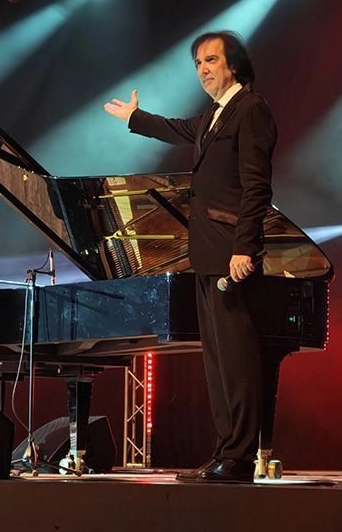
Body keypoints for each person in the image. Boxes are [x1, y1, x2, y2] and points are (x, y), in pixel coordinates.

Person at [104, 31, 277, 483]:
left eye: (211, 60)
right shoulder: (214, 116)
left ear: (234, 65)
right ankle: (226, 451)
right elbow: (176, 129)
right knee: (217, 360)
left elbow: (256, 186)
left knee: (237, 359)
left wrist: (245, 246)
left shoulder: (250, 109)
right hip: (206, 251)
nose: (203, 69)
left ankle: (239, 458)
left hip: (231, 253)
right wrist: (134, 117)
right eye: (198, 62)